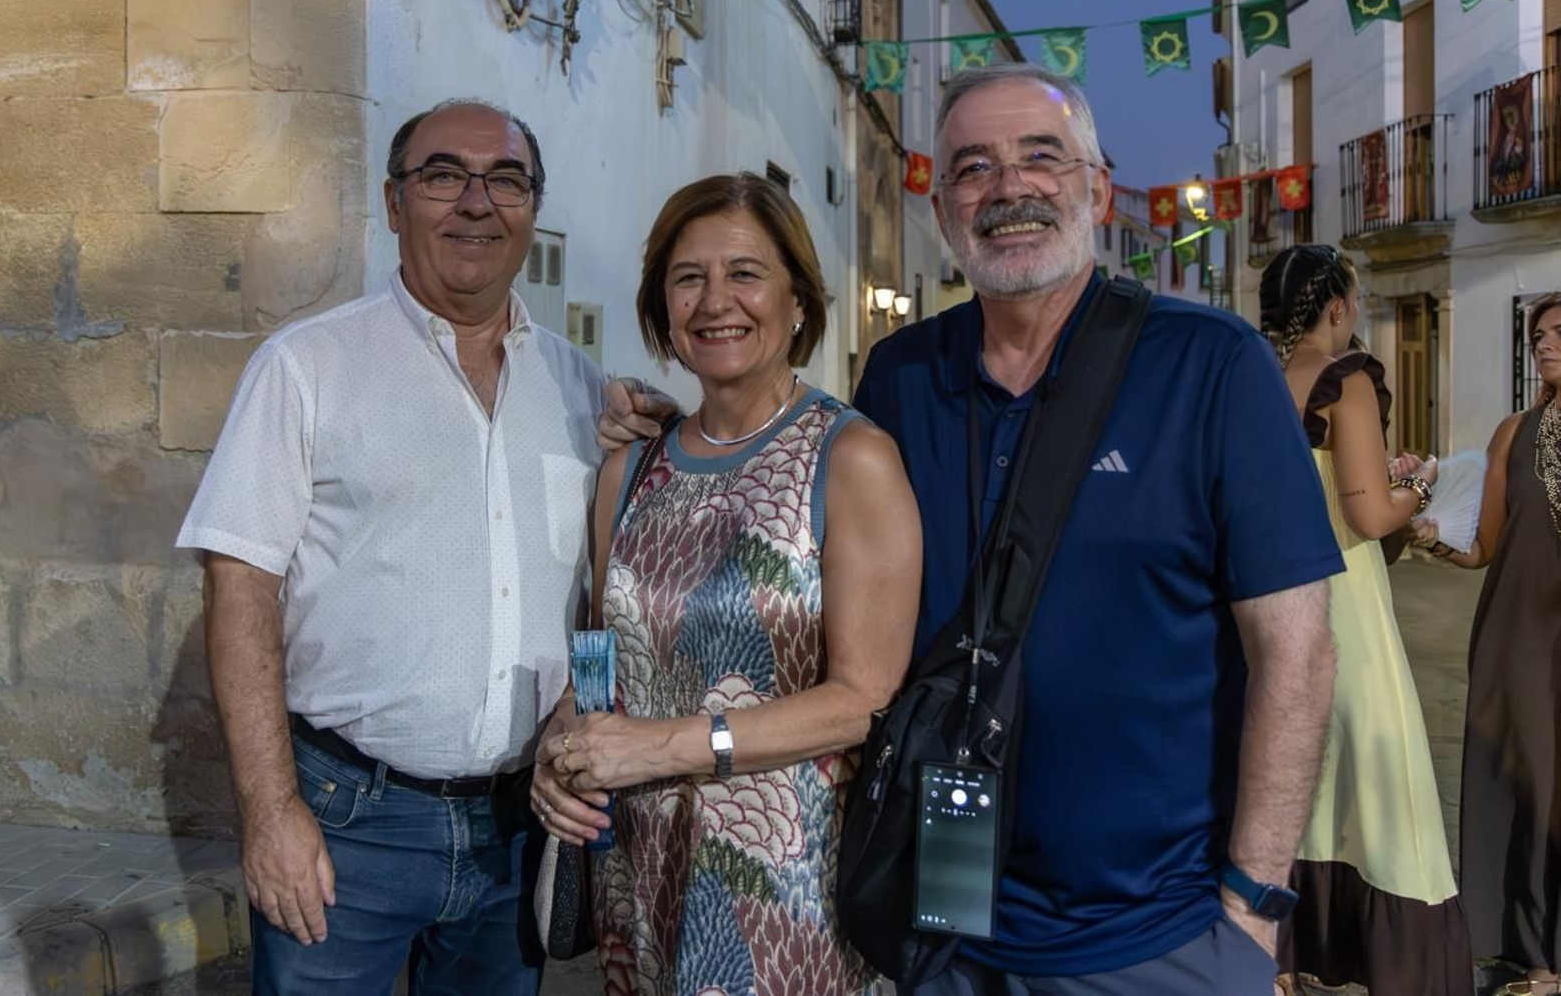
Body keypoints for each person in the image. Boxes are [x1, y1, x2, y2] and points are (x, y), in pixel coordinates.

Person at [599, 63, 1342, 994]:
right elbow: (777, 482)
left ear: (1100, 188)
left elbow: (1299, 655)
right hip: (941, 919)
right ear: (943, 209)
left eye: (1042, 157)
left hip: (1158, 930)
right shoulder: (901, 378)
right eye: (973, 167)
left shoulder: (1212, 367)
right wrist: (667, 433)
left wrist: (1252, 903)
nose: (1009, 188)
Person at [177, 99, 606, 994]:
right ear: (393, 201)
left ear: (534, 207)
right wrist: (270, 812)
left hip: (517, 829)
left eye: (507, 180)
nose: (477, 203)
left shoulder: (580, 387)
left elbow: (598, 587)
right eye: (445, 175)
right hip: (347, 824)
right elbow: (239, 590)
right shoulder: (308, 367)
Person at [531, 173, 922, 994]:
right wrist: (561, 745)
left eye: (745, 272)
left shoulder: (851, 459)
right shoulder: (629, 466)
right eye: (688, 277)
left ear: (798, 300)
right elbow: (600, 658)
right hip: (639, 874)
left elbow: (865, 699)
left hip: (783, 891)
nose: (716, 300)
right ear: (663, 308)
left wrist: (664, 744)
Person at [1258, 244, 1471, 996]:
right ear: (1339, 306)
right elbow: (1371, 511)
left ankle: (1284, 954)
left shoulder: (1253, 377)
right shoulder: (1344, 378)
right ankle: (1398, 965)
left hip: (1269, 599)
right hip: (1343, 600)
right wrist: (1419, 484)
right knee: (1384, 777)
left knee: (1296, 778)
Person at [1413, 292, 1561, 996]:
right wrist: (1432, 538)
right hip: (1518, 638)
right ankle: (1532, 951)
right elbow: (1486, 548)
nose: (1544, 343)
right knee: (1532, 783)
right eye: (1537, 335)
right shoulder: (1515, 431)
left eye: (1558, 331)